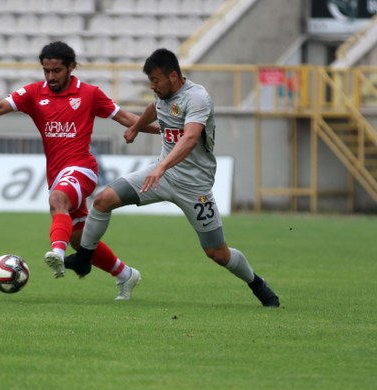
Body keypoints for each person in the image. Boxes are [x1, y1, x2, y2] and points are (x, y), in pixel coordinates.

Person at [65, 48, 280, 307]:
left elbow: (190, 138)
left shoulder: (198, 98)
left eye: (156, 81)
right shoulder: (163, 94)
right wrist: (136, 126)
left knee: (217, 253)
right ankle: (85, 258)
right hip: (160, 175)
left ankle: (256, 283)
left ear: (174, 76)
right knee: (103, 200)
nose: (153, 87)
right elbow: (154, 108)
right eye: (150, 82)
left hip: (194, 185)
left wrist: (162, 166)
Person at [0, 41, 158, 300]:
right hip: (57, 173)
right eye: (46, 71)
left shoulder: (90, 93)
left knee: (57, 200)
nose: (50, 77)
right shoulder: (35, 93)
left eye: (56, 71)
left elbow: (126, 118)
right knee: (80, 240)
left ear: (71, 67)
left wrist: (165, 131)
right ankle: (126, 274)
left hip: (83, 167)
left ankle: (56, 254)